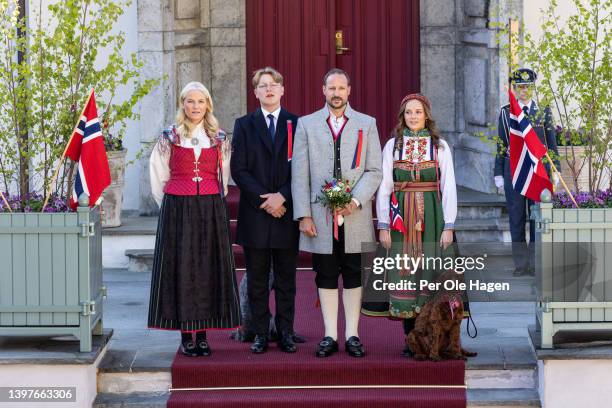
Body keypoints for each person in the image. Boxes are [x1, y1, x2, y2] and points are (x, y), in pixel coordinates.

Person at [291, 68, 382, 358]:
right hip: (320, 216)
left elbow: (374, 170)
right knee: (326, 273)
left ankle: (352, 334)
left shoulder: (366, 124)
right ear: (323, 90)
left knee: (354, 273)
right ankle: (330, 335)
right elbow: (299, 173)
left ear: (349, 91)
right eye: (331, 88)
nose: (336, 93)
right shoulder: (306, 125)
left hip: (354, 215)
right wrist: (303, 214)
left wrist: (354, 201)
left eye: (341, 88)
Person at [148, 81, 240, 357]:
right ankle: (187, 334)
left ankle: (203, 334)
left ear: (208, 105)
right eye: (190, 101)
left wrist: (213, 199)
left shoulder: (220, 138)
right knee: (182, 269)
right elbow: (158, 176)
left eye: (200, 102)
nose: (195, 107)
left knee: (208, 269)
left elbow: (223, 175)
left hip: (210, 207)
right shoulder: (170, 136)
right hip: (178, 208)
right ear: (182, 104)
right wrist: (172, 204)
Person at [363, 93, 458, 357]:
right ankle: (411, 338)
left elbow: (448, 186)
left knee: (430, 273)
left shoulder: (440, 147)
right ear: (402, 116)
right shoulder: (393, 146)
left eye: (417, 112)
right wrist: (383, 224)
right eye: (408, 112)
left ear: (426, 114)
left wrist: (448, 225)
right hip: (400, 220)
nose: (413, 116)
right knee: (405, 273)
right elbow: (385, 187)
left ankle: (435, 337)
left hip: (432, 217)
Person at [231, 67, 301, 354]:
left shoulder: (297, 124)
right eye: (263, 85)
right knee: (257, 278)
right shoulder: (244, 125)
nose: (269, 89)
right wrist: (266, 200)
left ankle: (285, 332)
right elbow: (239, 170)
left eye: (274, 85)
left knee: (286, 278)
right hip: (256, 212)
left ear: (282, 90)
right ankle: (260, 332)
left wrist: (282, 197)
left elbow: (301, 168)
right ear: (255, 92)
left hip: (286, 213)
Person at [494, 68, 559, 276]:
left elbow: (551, 144)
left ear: (533, 87)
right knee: (516, 217)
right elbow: (502, 145)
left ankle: (535, 263)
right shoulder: (506, 112)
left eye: (528, 86)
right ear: (514, 88)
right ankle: (521, 265)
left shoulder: (543, 112)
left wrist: (555, 171)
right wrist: (498, 172)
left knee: (536, 218)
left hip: (538, 171)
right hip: (513, 170)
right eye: (520, 87)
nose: (524, 91)